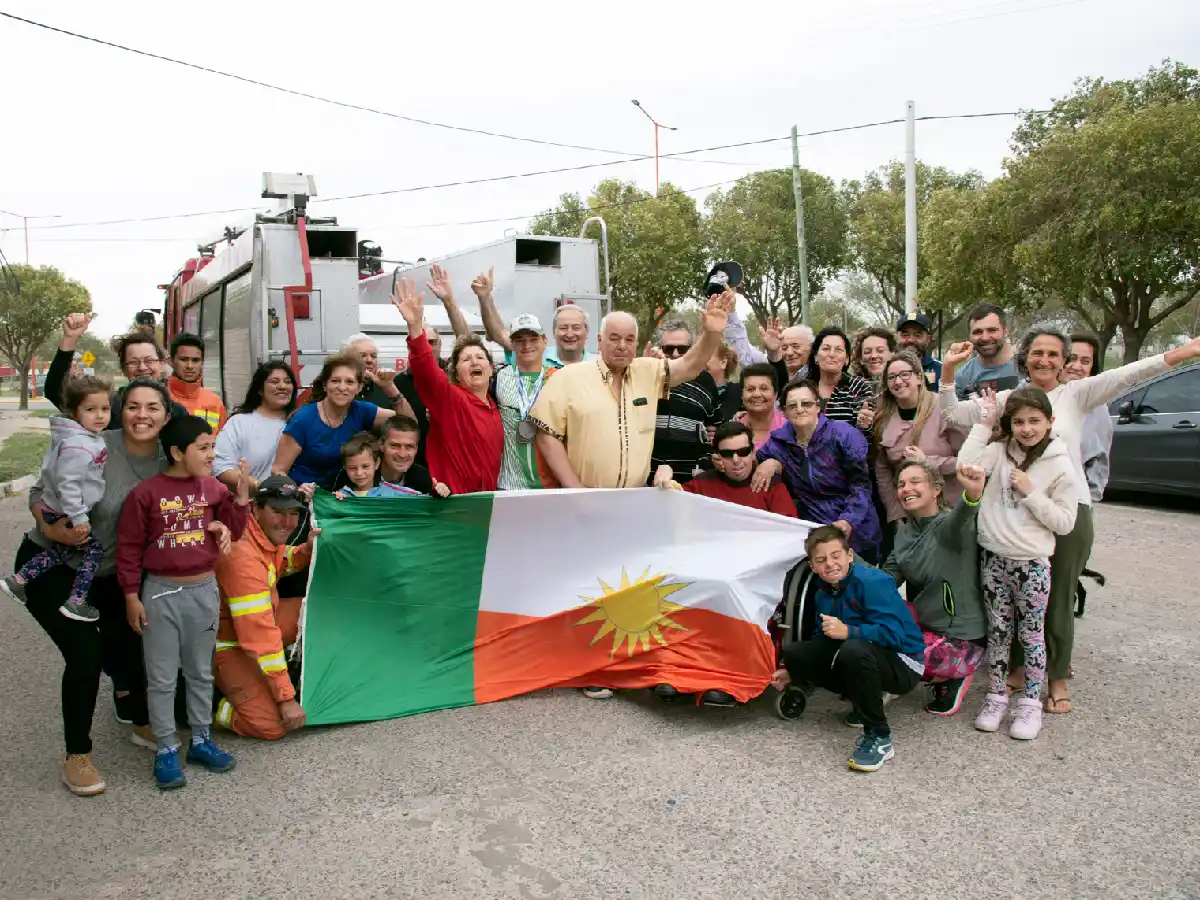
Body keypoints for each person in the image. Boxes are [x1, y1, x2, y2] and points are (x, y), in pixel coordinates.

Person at [940, 329, 1199, 713]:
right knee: (1015, 597)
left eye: (1053, 354)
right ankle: (1018, 670)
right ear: (1025, 358)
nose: (1044, 360)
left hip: (1067, 510)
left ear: (1065, 360)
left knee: (1057, 597)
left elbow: (1128, 375)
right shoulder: (1011, 399)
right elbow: (952, 413)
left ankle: (1057, 677)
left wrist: (1183, 353)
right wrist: (947, 373)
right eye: (1037, 353)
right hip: (1017, 513)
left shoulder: (1078, 394)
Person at [13, 379, 227, 796]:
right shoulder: (92, 442)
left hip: (110, 574)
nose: (141, 415)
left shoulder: (174, 458)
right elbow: (41, 492)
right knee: (85, 653)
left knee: (133, 649)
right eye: (132, 406)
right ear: (118, 409)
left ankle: (143, 721)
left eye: (152, 407)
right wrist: (48, 525)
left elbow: (204, 497)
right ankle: (78, 755)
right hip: (53, 565)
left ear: (168, 415)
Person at [118, 415, 251, 789]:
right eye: (203, 447)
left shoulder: (213, 489)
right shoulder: (145, 494)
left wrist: (239, 500)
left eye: (213, 447)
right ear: (177, 452)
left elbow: (235, 532)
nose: (212, 454)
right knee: (161, 679)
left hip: (204, 592)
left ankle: (202, 740)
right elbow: (128, 550)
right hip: (160, 594)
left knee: (200, 671)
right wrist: (131, 596)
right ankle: (165, 749)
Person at [957, 387, 1079, 740]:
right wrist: (984, 424)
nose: (1026, 428)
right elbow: (968, 465)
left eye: (1034, 421)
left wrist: (1031, 493)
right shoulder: (998, 451)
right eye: (1019, 422)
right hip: (995, 556)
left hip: (1032, 563)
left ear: (1049, 422)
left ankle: (1029, 704)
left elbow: (1064, 522)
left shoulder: (1059, 464)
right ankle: (995, 696)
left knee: (1030, 634)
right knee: (998, 631)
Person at [530, 292, 736, 492]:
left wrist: (712, 333)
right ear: (600, 340)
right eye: (614, 338)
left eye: (629, 339)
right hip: (584, 499)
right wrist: (574, 488)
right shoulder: (568, 377)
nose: (622, 346)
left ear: (636, 343)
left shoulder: (649, 372)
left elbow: (691, 365)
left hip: (635, 499)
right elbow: (546, 435)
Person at [772, 525, 926, 772]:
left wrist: (849, 631)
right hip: (865, 652)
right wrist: (796, 671)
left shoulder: (874, 582)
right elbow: (821, 639)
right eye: (821, 560)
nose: (830, 564)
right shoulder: (823, 592)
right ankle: (864, 698)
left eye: (836, 556)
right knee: (794, 654)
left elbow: (895, 635)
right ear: (812, 566)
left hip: (905, 663)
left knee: (854, 650)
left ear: (850, 555)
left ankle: (879, 736)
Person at [213, 475, 317, 741]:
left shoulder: (257, 532)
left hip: (256, 626)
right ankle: (205, 703)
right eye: (278, 512)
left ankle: (270, 679)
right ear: (256, 508)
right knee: (272, 725)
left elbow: (281, 562)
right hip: (227, 645)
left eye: (294, 513)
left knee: (316, 613)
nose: (287, 522)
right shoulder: (241, 554)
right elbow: (259, 635)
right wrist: (286, 697)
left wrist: (306, 549)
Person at [883, 459, 988, 716]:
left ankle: (955, 674)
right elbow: (883, 582)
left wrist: (972, 494)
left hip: (962, 641)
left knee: (883, 654)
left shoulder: (951, 525)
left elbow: (963, 514)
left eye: (915, 481)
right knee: (873, 626)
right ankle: (924, 676)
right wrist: (843, 558)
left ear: (936, 489)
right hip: (927, 630)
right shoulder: (904, 533)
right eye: (901, 484)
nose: (906, 488)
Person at [3, 376, 111, 623]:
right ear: (75, 413)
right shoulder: (79, 445)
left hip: (58, 508)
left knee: (62, 550)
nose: (99, 416)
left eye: (104, 409)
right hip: (66, 510)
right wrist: (79, 516)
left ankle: (18, 580)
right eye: (90, 409)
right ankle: (76, 601)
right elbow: (68, 485)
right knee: (93, 551)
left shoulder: (80, 438)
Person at [390, 279, 504, 494]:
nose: (474, 362)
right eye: (466, 359)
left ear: (491, 369)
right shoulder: (451, 399)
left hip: (487, 505)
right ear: (455, 373)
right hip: (452, 506)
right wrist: (415, 328)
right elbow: (427, 371)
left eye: (480, 357)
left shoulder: (496, 408)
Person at [754, 379, 881, 562]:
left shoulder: (843, 434)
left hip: (857, 529)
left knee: (863, 586)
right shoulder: (779, 442)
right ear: (784, 412)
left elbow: (861, 485)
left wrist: (847, 521)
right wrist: (770, 462)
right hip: (817, 532)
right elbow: (751, 462)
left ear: (817, 406)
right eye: (792, 405)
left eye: (806, 403)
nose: (800, 409)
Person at [271, 354, 396, 491]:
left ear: (359, 387)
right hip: (306, 501)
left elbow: (408, 424)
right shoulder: (302, 420)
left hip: (344, 498)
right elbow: (278, 471)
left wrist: (389, 387)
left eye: (349, 382)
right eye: (335, 381)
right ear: (325, 385)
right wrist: (297, 490)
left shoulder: (362, 410)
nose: (342, 388)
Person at [873, 350, 967, 528]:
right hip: (911, 518)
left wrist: (928, 462)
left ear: (918, 377)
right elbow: (883, 471)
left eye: (905, 374)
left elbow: (970, 461)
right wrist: (896, 513)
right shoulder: (883, 418)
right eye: (892, 377)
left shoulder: (946, 410)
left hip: (951, 512)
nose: (898, 381)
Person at [44, 314, 188, 424]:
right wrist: (70, 338)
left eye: (149, 361)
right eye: (133, 362)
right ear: (124, 369)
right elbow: (55, 389)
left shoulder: (177, 414)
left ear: (161, 364)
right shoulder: (107, 406)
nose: (142, 368)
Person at [654, 421, 797, 517]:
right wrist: (664, 475)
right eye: (728, 454)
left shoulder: (770, 484)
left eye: (742, 452)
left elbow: (790, 530)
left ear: (753, 452)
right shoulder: (702, 484)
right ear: (717, 456)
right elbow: (667, 503)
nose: (736, 460)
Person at [470, 266, 595, 367]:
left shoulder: (599, 364)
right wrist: (485, 298)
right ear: (553, 332)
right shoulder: (534, 353)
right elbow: (499, 334)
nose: (569, 333)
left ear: (587, 331)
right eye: (563, 327)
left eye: (576, 327)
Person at [647, 320, 722, 486]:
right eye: (668, 348)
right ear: (660, 348)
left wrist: (705, 464)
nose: (675, 354)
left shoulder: (706, 381)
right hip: (646, 479)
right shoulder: (646, 375)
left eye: (682, 349)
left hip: (690, 481)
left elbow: (715, 428)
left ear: (691, 350)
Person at [494, 314, 559, 491]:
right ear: (512, 344)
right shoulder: (499, 377)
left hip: (551, 486)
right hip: (509, 485)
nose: (527, 345)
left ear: (545, 341)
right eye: (520, 340)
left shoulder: (559, 378)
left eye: (533, 339)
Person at [214, 361, 297, 495]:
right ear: (260, 389)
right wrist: (257, 486)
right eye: (274, 382)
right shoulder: (239, 422)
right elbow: (220, 466)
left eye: (287, 382)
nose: (282, 386)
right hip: (249, 506)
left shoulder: (299, 421)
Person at [1064, 333, 1113, 502]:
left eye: (1085, 361)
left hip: (1073, 500)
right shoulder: (1038, 394)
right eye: (1071, 358)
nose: (1077, 366)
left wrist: (1088, 499)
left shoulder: (1097, 408)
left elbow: (1099, 459)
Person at [804, 326, 874, 426]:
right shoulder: (803, 387)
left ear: (847, 359)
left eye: (838, 350)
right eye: (826, 348)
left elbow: (868, 432)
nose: (832, 354)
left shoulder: (859, 387)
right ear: (815, 356)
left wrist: (864, 425)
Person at [952, 303, 1019, 400]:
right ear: (970, 336)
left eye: (992, 330)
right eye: (977, 332)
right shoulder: (962, 378)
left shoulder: (1027, 368)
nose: (985, 338)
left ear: (1005, 332)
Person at [165, 332, 227, 431]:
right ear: (171, 361)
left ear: (202, 363)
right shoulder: (159, 399)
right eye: (183, 359)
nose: (190, 366)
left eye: (195, 360)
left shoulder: (215, 403)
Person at [732, 363, 787, 449]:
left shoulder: (790, 427)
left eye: (764, 388)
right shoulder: (731, 431)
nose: (757, 394)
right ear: (742, 395)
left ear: (775, 395)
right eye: (750, 389)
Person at [895, 313, 943, 389]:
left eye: (917, 335)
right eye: (905, 335)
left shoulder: (941, 370)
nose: (911, 340)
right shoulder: (887, 368)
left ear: (928, 339)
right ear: (896, 337)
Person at [334, 432, 382, 497]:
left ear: (377, 464)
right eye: (352, 468)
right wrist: (336, 503)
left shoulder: (394, 494)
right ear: (344, 467)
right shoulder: (341, 496)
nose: (359, 473)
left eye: (365, 466)